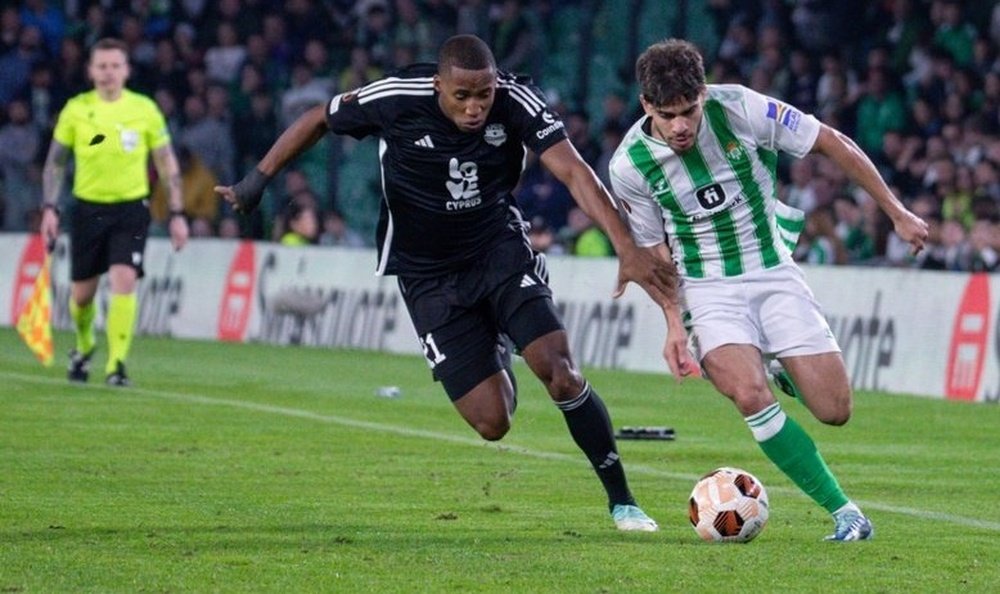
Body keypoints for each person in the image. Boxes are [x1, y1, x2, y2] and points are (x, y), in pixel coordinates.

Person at [216, 34, 677, 531]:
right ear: (439, 85)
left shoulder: (517, 101)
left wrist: (626, 247)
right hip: (426, 273)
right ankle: (497, 340)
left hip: (497, 250)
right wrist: (256, 180)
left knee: (559, 370)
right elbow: (318, 119)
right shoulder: (395, 97)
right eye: (462, 96)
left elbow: (575, 173)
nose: (476, 107)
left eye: (484, 94)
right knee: (492, 422)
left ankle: (622, 501)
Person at [607, 39, 929, 541]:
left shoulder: (740, 107)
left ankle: (780, 368)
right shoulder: (629, 167)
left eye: (690, 110)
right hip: (705, 288)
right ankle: (845, 512)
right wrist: (673, 323)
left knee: (835, 410)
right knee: (747, 393)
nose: (681, 126)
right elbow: (657, 257)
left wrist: (897, 211)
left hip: (773, 271)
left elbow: (831, 141)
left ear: (704, 93)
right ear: (646, 105)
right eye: (668, 115)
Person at [39, 37, 189, 387]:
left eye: (115, 66)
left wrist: (178, 213)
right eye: (102, 66)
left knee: (124, 278)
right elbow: (55, 163)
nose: (108, 73)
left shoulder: (145, 109)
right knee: (82, 296)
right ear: (91, 71)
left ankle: (116, 364)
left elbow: (166, 162)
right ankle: (84, 342)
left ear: (127, 70)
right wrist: (49, 208)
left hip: (131, 208)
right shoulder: (76, 109)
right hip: (87, 208)